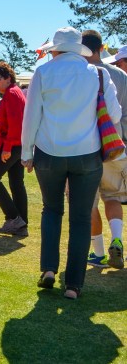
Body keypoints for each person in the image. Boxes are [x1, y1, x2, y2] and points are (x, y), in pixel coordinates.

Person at [22, 27, 120, 299]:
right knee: (80, 219)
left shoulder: (43, 72)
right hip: (87, 153)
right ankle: (74, 285)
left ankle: (48, 270)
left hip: (48, 152)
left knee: (51, 211)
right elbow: (114, 114)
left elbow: (31, 115)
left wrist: (26, 152)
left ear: (55, 48)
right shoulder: (99, 74)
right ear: (79, 49)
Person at [82, 30, 127, 269]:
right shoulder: (120, 74)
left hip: (86, 148)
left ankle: (98, 253)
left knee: (89, 202)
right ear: (101, 48)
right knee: (113, 196)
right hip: (115, 146)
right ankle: (117, 240)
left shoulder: (79, 74)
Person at [0, 62, 28, 237]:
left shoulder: (11, 94)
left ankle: (14, 218)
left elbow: (15, 125)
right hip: (18, 144)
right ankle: (21, 224)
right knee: (17, 183)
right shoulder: (13, 92)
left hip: (14, 144)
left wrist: (7, 148)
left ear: (8, 78)